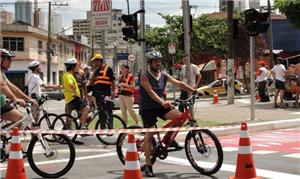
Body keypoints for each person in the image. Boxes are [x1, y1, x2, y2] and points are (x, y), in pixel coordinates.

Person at [140, 51, 199, 177]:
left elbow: (178, 83)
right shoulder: (144, 75)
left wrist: (194, 90)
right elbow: (150, 92)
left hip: (161, 105)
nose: (158, 63)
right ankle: (148, 166)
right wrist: (162, 102)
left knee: (180, 117)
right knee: (149, 137)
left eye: (159, 61)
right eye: (155, 61)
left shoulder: (164, 74)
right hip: (148, 108)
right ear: (149, 63)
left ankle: (169, 140)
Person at [0, 48, 38, 123]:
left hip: (2, 105)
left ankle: (5, 134)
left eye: (11, 59)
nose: (11, 62)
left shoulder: (2, 73)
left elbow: (13, 88)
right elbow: (2, 86)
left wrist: (28, 99)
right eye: (8, 59)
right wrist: (15, 99)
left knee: (19, 118)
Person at [89, 53, 115, 129]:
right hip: (98, 94)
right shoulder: (96, 70)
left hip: (106, 94)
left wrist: (113, 92)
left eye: (95, 61)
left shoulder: (108, 69)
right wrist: (94, 71)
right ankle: (102, 127)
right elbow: (91, 83)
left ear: (99, 61)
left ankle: (110, 128)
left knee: (108, 111)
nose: (94, 63)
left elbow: (112, 81)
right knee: (101, 112)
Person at [62, 58, 89, 129]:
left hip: (71, 98)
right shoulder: (68, 75)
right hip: (73, 97)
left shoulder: (67, 74)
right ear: (72, 67)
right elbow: (71, 85)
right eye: (75, 66)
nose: (76, 67)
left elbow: (84, 85)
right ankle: (83, 126)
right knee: (86, 109)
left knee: (73, 115)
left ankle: (69, 128)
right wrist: (76, 93)